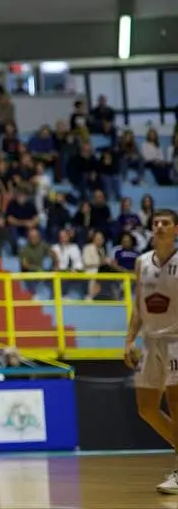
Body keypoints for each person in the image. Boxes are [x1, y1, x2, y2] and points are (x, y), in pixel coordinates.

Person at [127, 207, 178, 494]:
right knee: (146, 408)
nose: (159, 226)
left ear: (175, 229)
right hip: (150, 341)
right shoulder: (141, 262)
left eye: (166, 223)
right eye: (156, 222)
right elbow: (138, 305)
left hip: (176, 341)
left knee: (175, 404)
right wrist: (129, 339)